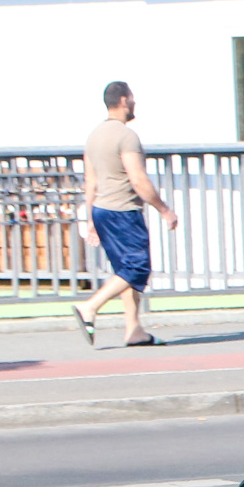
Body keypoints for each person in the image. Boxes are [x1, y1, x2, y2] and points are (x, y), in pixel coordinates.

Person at [74, 80, 180, 348]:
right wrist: (164, 210)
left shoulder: (94, 135)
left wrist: (90, 220)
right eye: (131, 98)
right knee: (137, 267)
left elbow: (90, 180)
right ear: (123, 100)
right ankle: (90, 307)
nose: (133, 103)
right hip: (123, 211)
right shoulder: (126, 136)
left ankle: (134, 330)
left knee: (125, 271)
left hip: (101, 210)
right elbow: (138, 179)